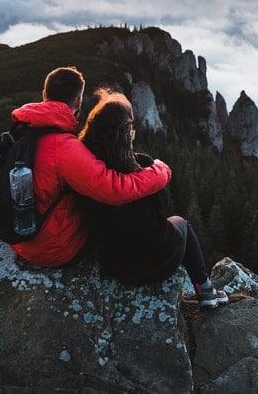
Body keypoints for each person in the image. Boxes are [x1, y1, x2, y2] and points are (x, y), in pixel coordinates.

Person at [78, 88, 228, 309]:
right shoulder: (144, 166)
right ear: (127, 133)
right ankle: (205, 289)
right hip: (158, 260)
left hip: (118, 267)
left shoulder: (86, 174)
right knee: (181, 223)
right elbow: (161, 207)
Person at [9, 66, 173, 268]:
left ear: (44, 95)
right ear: (79, 101)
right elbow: (115, 189)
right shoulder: (65, 148)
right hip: (52, 248)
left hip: (18, 238)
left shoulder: (19, 131)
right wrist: (161, 171)